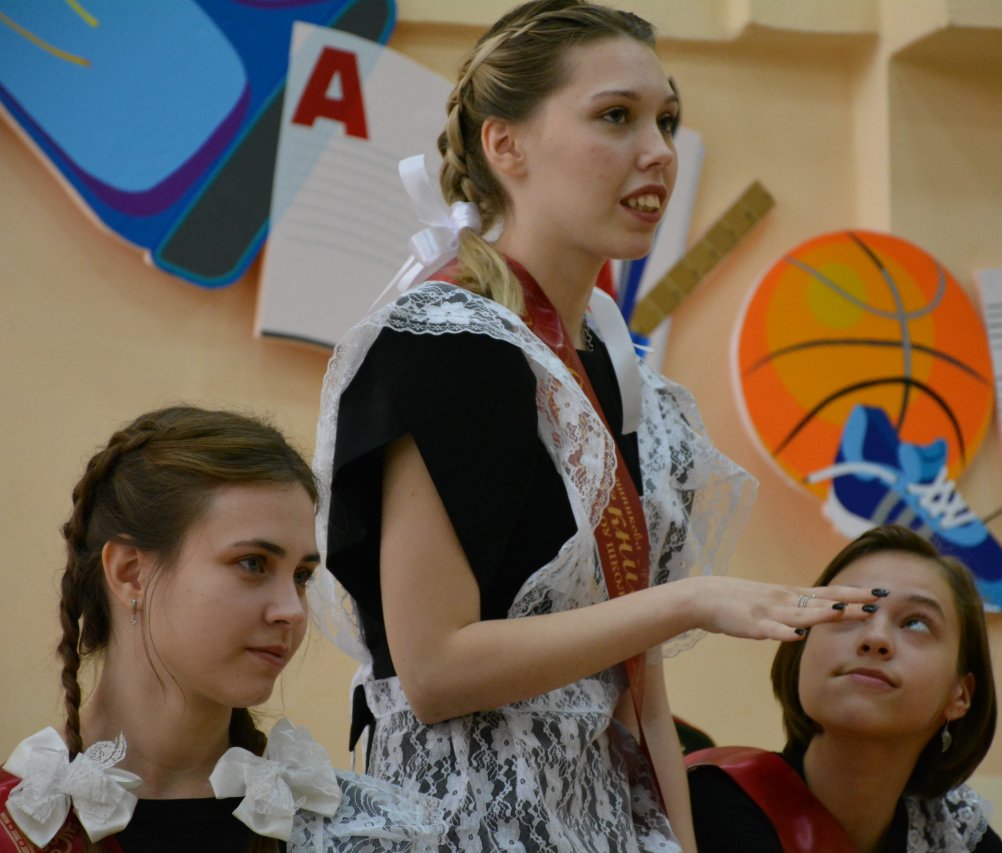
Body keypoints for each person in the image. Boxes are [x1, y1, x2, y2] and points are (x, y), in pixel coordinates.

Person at [310, 2, 882, 850]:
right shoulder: (446, 343)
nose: (658, 150)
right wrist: (687, 599)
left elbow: (636, 692)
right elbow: (433, 671)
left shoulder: (619, 374)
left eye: (667, 120)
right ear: (506, 146)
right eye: (616, 116)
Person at [0, 406, 443, 852]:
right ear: (130, 572)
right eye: (253, 564)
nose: (292, 610)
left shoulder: (371, 835)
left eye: (302, 576)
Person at [687, 525, 1002, 852]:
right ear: (801, 646)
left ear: (960, 694)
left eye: (916, 623)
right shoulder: (711, 801)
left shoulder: (953, 834)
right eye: (847, 610)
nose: (875, 638)